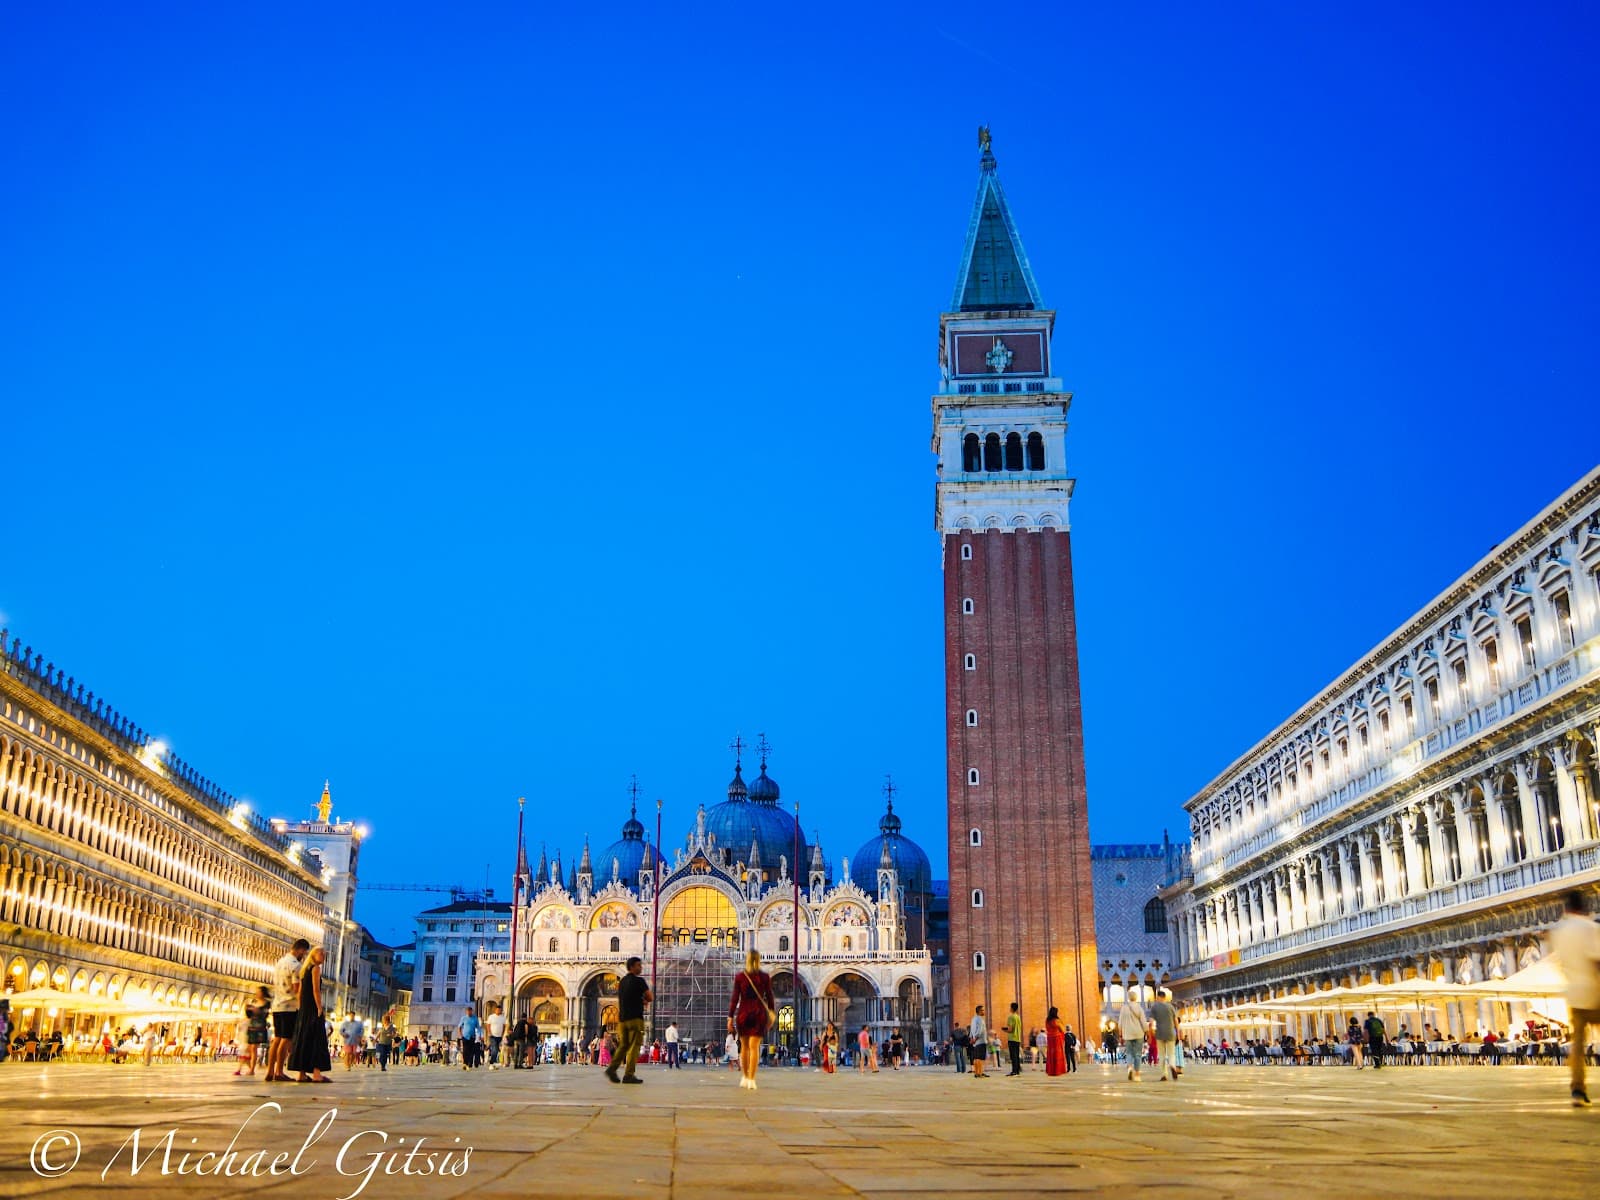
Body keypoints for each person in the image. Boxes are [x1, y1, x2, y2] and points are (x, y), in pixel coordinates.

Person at [1550, 889, 1600, 1106]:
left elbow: (1560, 962)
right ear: (1583, 906)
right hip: (1594, 990)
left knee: (1578, 1044)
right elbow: (1596, 959)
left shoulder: (1559, 930)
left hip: (1573, 993)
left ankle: (1578, 1090)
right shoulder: (1589, 927)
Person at [728, 948, 776, 1090]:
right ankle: (752, 1079)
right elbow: (770, 997)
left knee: (744, 1048)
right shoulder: (765, 977)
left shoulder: (740, 977)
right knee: (754, 1047)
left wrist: (730, 1017)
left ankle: (744, 1077)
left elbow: (735, 999)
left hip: (743, 1013)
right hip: (758, 1014)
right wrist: (772, 1013)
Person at [265, 937, 310, 1082]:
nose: (304, 955)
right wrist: (303, 1006)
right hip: (290, 1006)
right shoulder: (296, 966)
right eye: (304, 952)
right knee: (286, 1039)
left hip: (277, 1004)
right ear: (301, 950)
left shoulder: (280, 962)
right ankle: (279, 1071)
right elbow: (297, 989)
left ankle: (270, 1071)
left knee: (277, 1039)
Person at [286, 947, 332, 1083]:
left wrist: (300, 1007)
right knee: (317, 1039)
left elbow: (300, 991)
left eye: (324, 954)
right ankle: (317, 1074)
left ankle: (301, 1074)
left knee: (303, 1039)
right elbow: (316, 990)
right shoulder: (315, 969)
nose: (323, 956)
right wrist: (319, 1008)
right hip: (312, 1008)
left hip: (304, 1009)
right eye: (320, 953)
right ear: (313, 955)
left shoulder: (304, 970)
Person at [609, 956, 652, 1084]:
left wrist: (640, 1000)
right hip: (635, 1019)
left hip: (622, 1020)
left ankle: (612, 1068)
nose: (641, 967)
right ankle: (628, 1075)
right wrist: (645, 1000)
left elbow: (628, 997)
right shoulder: (639, 981)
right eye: (639, 965)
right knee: (634, 1047)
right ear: (632, 967)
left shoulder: (622, 981)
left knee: (623, 1046)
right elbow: (650, 997)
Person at [235, 986, 270, 1077]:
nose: (257, 993)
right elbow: (249, 1015)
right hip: (251, 1027)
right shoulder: (254, 1002)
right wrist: (248, 1009)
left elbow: (265, 1014)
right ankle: (251, 1067)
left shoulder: (267, 1003)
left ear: (263, 993)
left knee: (253, 1048)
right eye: (257, 992)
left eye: (259, 992)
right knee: (251, 1049)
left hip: (259, 1028)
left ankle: (252, 1069)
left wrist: (258, 1011)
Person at [1118, 991, 1149, 1082]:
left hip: (1127, 1034)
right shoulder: (1139, 1008)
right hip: (1138, 1033)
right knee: (1138, 1054)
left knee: (1129, 1053)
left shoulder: (1124, 1008)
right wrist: (1147, 1032)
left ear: (1128, 998)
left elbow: (1120, 1023)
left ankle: (1130, 1068)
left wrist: (1120, 1034)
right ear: (1136, 998)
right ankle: (1137, 1074)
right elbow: (1143, 1022)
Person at [1148, 989, 1179, 1082]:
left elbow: (1151, 1022)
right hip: (1170, 1032)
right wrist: (1178, 1033)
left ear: (1158, 997)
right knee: (1171, 1053)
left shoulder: (1154, 1007)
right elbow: (1176, 1021)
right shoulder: (1171, 1007)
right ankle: (1172, 1066)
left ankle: (1164, 1074)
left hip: (1160, 1033)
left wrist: (1150, 1034)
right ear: (1165, 997)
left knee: (1161, 1054)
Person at [968, 1005, 990, 1078]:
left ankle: (977, 1073)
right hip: (981, 1040)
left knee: (976, 1058)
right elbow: (980, 1030)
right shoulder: (980, 1019)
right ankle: (980, 1073)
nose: (984, 1011)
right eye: (982, 1010)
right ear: (979, 1011)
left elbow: (971, 1030)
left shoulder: (973, 1019)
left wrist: (971, 1038)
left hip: (976, 1042)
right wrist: (975, 1038)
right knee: (980, 1058)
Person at [1044, 1007, 1067, 1077]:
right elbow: (1063, 1030)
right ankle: (1058, 1070)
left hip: (1050, 1038)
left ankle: (1051, 1071)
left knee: (1051, 1054)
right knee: (1058, 1054)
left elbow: (1047, 1029)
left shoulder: (1047, 1020)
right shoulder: (1057, 1020)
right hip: (1057, 1038)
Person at [1005, 1002, 1024, 1076]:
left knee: (1013, 1056)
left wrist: (1004, 1030)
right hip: (1018, 1038)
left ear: (1012, 1008)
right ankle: (1017, 1070)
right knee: (1016, 1055)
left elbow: (1010, 1030)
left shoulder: (1011, 1017)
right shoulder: (1018, 1017)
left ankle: (1014, 1071)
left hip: (1012, 1038)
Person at [486, 1004, 507, 1070]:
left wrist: (503, 1034)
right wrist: (489, 1032)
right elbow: (488, 1025)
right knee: (494, 1049)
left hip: (499, 1036)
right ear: (495, 1010)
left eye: (500, 1010)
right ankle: (491, 1063)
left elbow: (504, 1026)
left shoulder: (503, 1017)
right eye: (497, 1010)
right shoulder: (491, 1017)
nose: (499, 1011)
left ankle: (494, 1062)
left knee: (497, 1050)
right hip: (492, 1035)